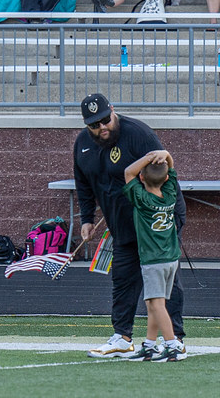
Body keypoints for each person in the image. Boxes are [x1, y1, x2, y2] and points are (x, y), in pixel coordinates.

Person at [74, 93, 185, 358]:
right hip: (121, 222)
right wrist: (87, 219)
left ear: (113, 110)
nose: (102, 127)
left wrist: (167, 220)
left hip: (154, 222)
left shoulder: (138, 133)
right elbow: (83, 183)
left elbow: (165, 172)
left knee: (163, 280)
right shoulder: (82, 144)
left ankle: (175, 339)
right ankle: (123, 337)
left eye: (105, 120)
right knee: (123, 277)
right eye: (95, 124)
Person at [121, 150, 185, 362]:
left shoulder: (142, 199)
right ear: (166, 179)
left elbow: (128, 172)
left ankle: (173, 345)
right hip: (170, 258)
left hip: (154, 261)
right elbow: (171, 168)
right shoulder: (170, 193)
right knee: (153, 304)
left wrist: (149, 158)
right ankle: (149, 345)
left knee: (156, 304)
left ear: (141, 177)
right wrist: (165, 154)